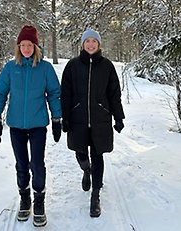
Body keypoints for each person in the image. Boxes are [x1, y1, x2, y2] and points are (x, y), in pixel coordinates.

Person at [0, 25, 62, 227]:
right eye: (23, 45)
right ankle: (24, 198)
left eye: (30, 45)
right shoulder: (11, 68)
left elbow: (54, 94)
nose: (26, 48)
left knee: (36, 165)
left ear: (36, 46)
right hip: (16, 127)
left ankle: (39, 202)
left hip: (38, 124)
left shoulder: (45, 68)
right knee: (21, 165)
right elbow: (0, 94)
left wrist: (57, 119)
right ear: (18, 46)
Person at [60, 28, 125, 218]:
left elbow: (114, 94)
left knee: (98, 156)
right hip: (78, 119)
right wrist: (65, 117)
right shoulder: (72, 66)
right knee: (80, 153)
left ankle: (95, 196)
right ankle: (86, 170)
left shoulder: (107, 66)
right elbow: (66, 94)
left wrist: (119, 117)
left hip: (100, 120)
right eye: (87, 41)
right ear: (82, 44)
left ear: (99, 45)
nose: (90, 44)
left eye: (93, 41)